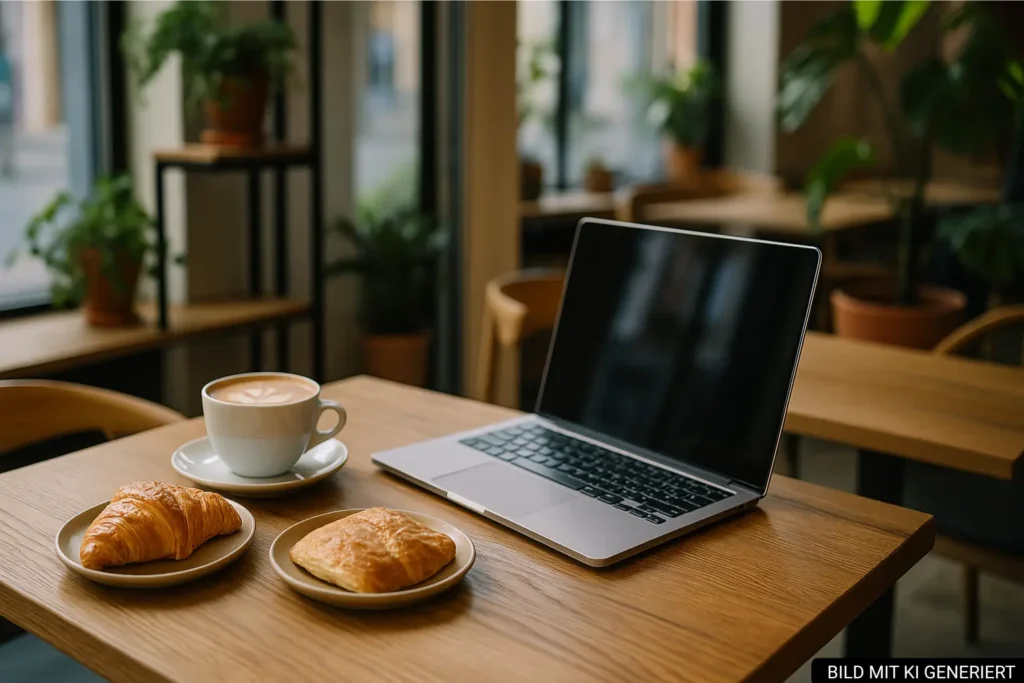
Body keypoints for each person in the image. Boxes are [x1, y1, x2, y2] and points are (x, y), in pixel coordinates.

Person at [0, 41, 13, 178]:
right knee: (6, 135)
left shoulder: (5, 61)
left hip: (5, 101)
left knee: (5, 135)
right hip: (6, 101)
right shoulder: (6, 61)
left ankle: (6, 163)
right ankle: (6, 163)